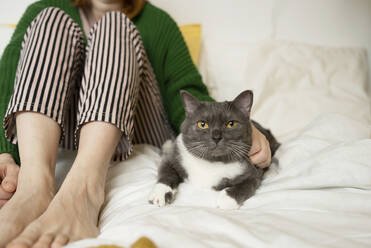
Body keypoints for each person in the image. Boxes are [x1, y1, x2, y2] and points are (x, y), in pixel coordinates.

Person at [0, 0, 272, 247]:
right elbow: (7, 84)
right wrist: (5, 153)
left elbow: (188, 95)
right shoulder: (41, 8)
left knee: (114, 25)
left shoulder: (159, 23)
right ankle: (33, 187)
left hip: (131, 126)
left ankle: (83, 192)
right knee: (50, 19)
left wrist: (243, 125)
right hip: (51, 128)